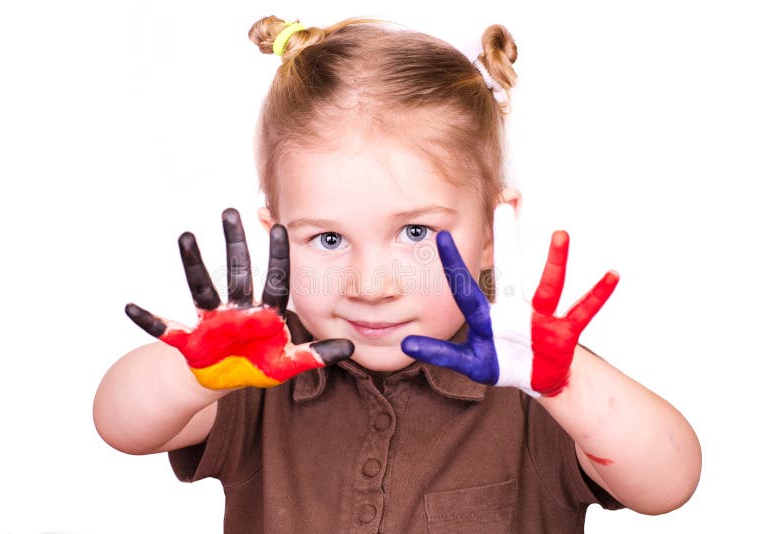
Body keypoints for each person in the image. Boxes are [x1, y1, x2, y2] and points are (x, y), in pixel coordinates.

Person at [93, 15, 701, 533]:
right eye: (327, 238)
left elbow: (669, 483)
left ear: (490, 233)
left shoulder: (536, 383)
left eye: (414, 233)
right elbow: (121, 424)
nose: (370, 283)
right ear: (275, 231)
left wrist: (567, 385)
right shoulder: (257, 377)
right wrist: (197, 377)